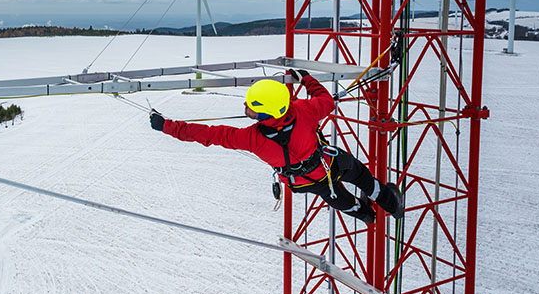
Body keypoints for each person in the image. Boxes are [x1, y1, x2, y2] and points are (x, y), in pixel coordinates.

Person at [149, 69, 403, 224]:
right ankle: (391, 204)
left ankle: (364, 214)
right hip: (328, 164)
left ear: (262, 115)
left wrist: (165, 126)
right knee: (360, 175)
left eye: (250, 105)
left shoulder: (250, 138)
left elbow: (206, 134)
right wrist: (307, 79)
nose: (245, 107)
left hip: (302, 183)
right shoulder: (304, 110)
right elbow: (325, 100)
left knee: (335, 196)